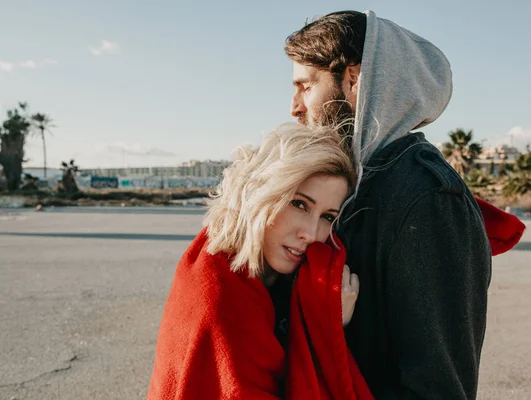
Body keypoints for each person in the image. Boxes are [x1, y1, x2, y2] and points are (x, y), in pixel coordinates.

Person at [285, 10, 493, 399]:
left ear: (354, 78)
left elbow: (437, 387)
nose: (294, 107)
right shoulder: (357, 185)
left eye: (305, 86)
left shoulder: (426, 198)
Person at [146, 122, 374, 399]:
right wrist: (329, 326)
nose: (311, 234)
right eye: (299, 204)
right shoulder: (218, 295)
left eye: (327, 217)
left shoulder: (272, 273)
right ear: (261, 193)